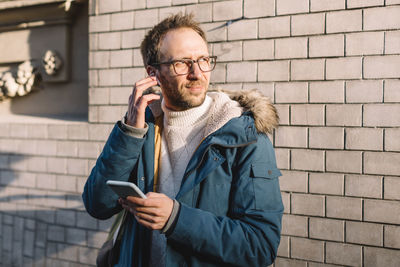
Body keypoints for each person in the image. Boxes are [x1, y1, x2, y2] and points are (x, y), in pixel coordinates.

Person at [83, 13, 283, 267]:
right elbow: (97, 204)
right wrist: (129, 134)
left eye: (203, 60)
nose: (197, 73)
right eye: (182, 63)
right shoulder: (141, 127)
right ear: (153, 73)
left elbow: (259, 246)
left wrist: (176, 219)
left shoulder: (244, 136)